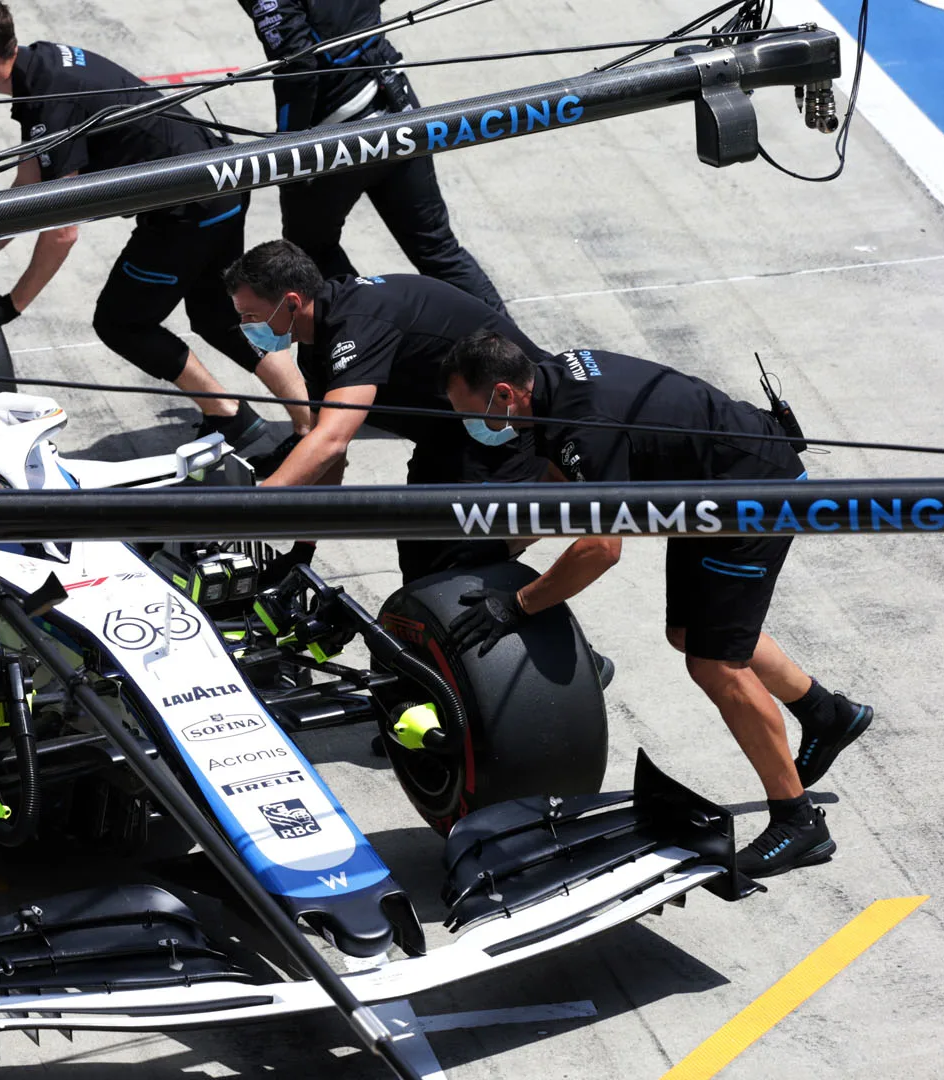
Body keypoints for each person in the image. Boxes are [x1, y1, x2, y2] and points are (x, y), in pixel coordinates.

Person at [438, 332, 875, 878]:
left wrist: (519, 604)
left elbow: (601, 548)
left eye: (466, 410)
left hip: (755, 492)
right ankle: (827, 714)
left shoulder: (582, 424)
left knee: (715, 664)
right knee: (691, 632)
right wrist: (505, 547)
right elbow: (561, 482)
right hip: (705, 493)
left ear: (504, 393)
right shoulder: (548, 385)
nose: (467, 422)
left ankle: (798, 822)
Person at [0, 0, 312, 446]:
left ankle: (230, 415)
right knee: (217, 314)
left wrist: (11, 305)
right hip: (217, 181)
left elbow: (61, 229)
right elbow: (27, 187)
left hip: (187, 208)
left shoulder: (49, 97)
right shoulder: (38, 68)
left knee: (121, 323)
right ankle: (307, 419)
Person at [224, 239, 545, 580]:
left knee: (461, 565)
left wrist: (254, 504)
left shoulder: (357, 325)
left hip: (513, 424)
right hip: (451, 436)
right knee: (420, 560)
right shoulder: (318, 344)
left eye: (251, 316)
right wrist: (305, 547)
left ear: (291, 302)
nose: (246, 327)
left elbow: (332, 439)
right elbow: (328, 451)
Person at [235, 1, 503, 312]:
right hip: (396, 102)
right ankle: (520, 356)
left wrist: (288, 147)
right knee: (437, 247)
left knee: (309, 253)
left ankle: (368, 338)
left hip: (340, 134)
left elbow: (298, 67)